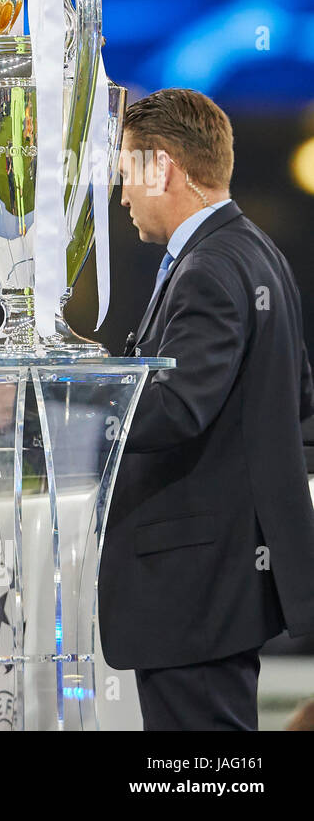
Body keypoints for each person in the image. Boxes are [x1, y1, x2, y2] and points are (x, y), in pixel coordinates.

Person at [102, 88, 314, 730]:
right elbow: (299, 408)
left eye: (126, 175)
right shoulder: (255, 253)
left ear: (161, 167)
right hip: (222, 573)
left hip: (193, 580)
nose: (122, 196)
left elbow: (179, 407)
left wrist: (74, 400)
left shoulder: (209, 267)